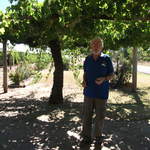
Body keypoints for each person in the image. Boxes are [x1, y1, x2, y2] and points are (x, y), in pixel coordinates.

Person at [80, 37, 114, 146]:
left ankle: (98, 137)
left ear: (102, 46)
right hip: (88, 93)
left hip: (101, 94)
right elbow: (85, 73)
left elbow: (112, 75)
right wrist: (84, 81)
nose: (96, 46)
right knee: (86, 116)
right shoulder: (87, 59)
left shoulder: (106, 59)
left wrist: (104, 79)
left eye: (98, 44)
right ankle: (86, 137)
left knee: (100, 117)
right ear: (91, 46)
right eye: (94, 44)